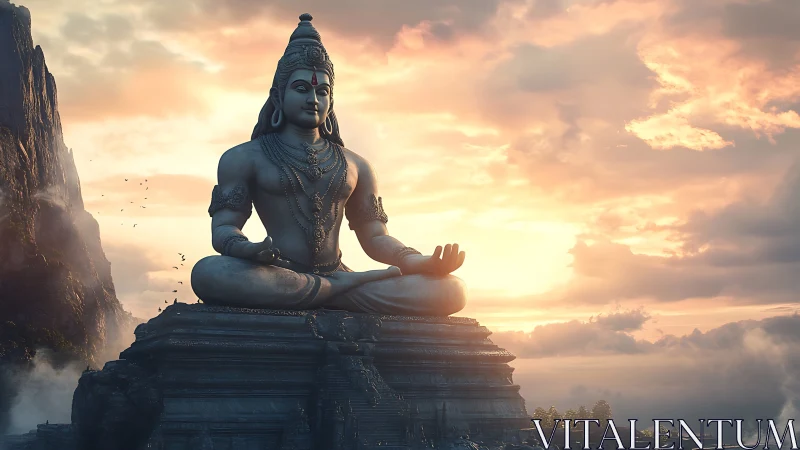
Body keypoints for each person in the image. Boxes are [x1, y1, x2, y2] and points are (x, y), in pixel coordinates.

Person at [191, 14, 467, 316]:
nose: (313, 98)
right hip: (278, 273)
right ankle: (336, 290)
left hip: (332, 275)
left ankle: (328, 288)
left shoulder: (356, 164)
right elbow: (224, 227)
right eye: (301, 89)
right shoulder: (244, 157)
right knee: (209, 273)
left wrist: (416, 261)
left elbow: (375, 236)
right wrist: (245, 248)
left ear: (331, 100)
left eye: (322, 91)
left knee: (451, 290)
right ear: (278, 96)